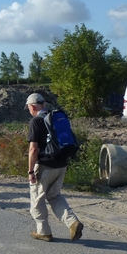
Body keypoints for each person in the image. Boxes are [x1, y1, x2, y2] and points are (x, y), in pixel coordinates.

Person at [25, 93, 83, 242]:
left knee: (37, 200)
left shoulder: (36, 121)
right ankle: (72, 222)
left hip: (45, 165)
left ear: (32, 106)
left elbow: (33, 149)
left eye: (28, 108)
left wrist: (31, 171)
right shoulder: (55, 117)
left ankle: (43, 231)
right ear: (44, 104)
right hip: (61, 163)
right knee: (54, 196)